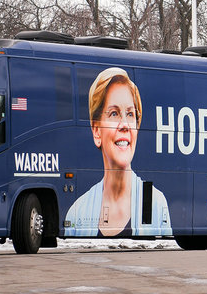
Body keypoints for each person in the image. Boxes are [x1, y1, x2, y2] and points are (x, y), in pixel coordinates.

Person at [65, 67, 171, 237]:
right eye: (114, 113)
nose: (124, 125)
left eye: (130, 114)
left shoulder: (156, 203)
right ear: (96, 131)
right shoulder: (78, 212)